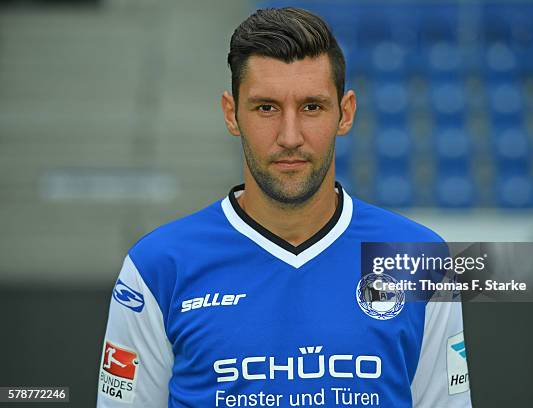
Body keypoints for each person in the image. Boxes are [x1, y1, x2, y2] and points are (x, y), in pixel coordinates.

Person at [97, 7, 471, 407]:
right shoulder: (157, 266)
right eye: (266, 108)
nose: (290, 136)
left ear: (345, 113)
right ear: (231, 113)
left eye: (312, 107)